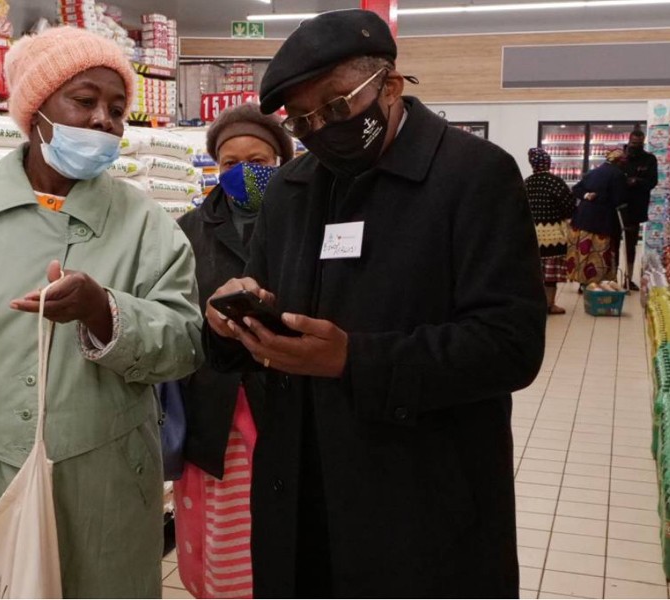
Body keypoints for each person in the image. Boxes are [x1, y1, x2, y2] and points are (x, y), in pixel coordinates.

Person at [202, 9, 546, 598]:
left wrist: (353, 359)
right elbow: (261, 293)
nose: (322, 127)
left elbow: (510, 345)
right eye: (304, 120)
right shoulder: (289, 189)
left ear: (388, 85)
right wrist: (231, 324)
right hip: (300, 487)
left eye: (336, 108)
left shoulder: (474, 176)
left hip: (419, 496)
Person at [0, 26, 203, 598]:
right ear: (35, 109)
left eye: (117, 109)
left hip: (109, 481)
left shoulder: (145, 225)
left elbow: (184, 344)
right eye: (84, 100)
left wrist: (107, 313)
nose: (104, 119)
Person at [173, 103, 293, 599]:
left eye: (259, 160)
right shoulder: (187, 230)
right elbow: (174, 314)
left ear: (282, 162)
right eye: (229, 162)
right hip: (214, 405)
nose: (244, 172)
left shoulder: (304, 226)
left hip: (285, 397)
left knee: (282, 530)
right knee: (222, 538)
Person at [567, 148, 628, 290]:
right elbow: (619, 199)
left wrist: (587, 195)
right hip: (602, 221)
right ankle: (598, 283)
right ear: (618, 161)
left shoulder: (593, 172)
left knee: (584, 252)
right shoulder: (618, 175)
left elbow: (576, 189)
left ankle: (584, 283)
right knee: (599, 253)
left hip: (582, 218)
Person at [525, 147, 575, 314]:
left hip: (531, 234)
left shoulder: (527, 182)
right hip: (553, 234)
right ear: (548, 163)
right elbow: (569, 205)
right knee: (551, 274)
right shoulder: (555, 182)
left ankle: (534, 304)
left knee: (534, 272)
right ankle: (549, 304)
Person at [620, 129, 659, 290]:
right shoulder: (620, 157)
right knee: (612, 245)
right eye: (633, 143)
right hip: (616, 205)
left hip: (636, 208)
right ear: (629, 140)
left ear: (643, 142)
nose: (635, 146)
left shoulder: (649, 159)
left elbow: (652, 182)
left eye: (639, 143)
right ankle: (608, 279)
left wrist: (636, 181)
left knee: (631, 246)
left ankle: (628, 279)